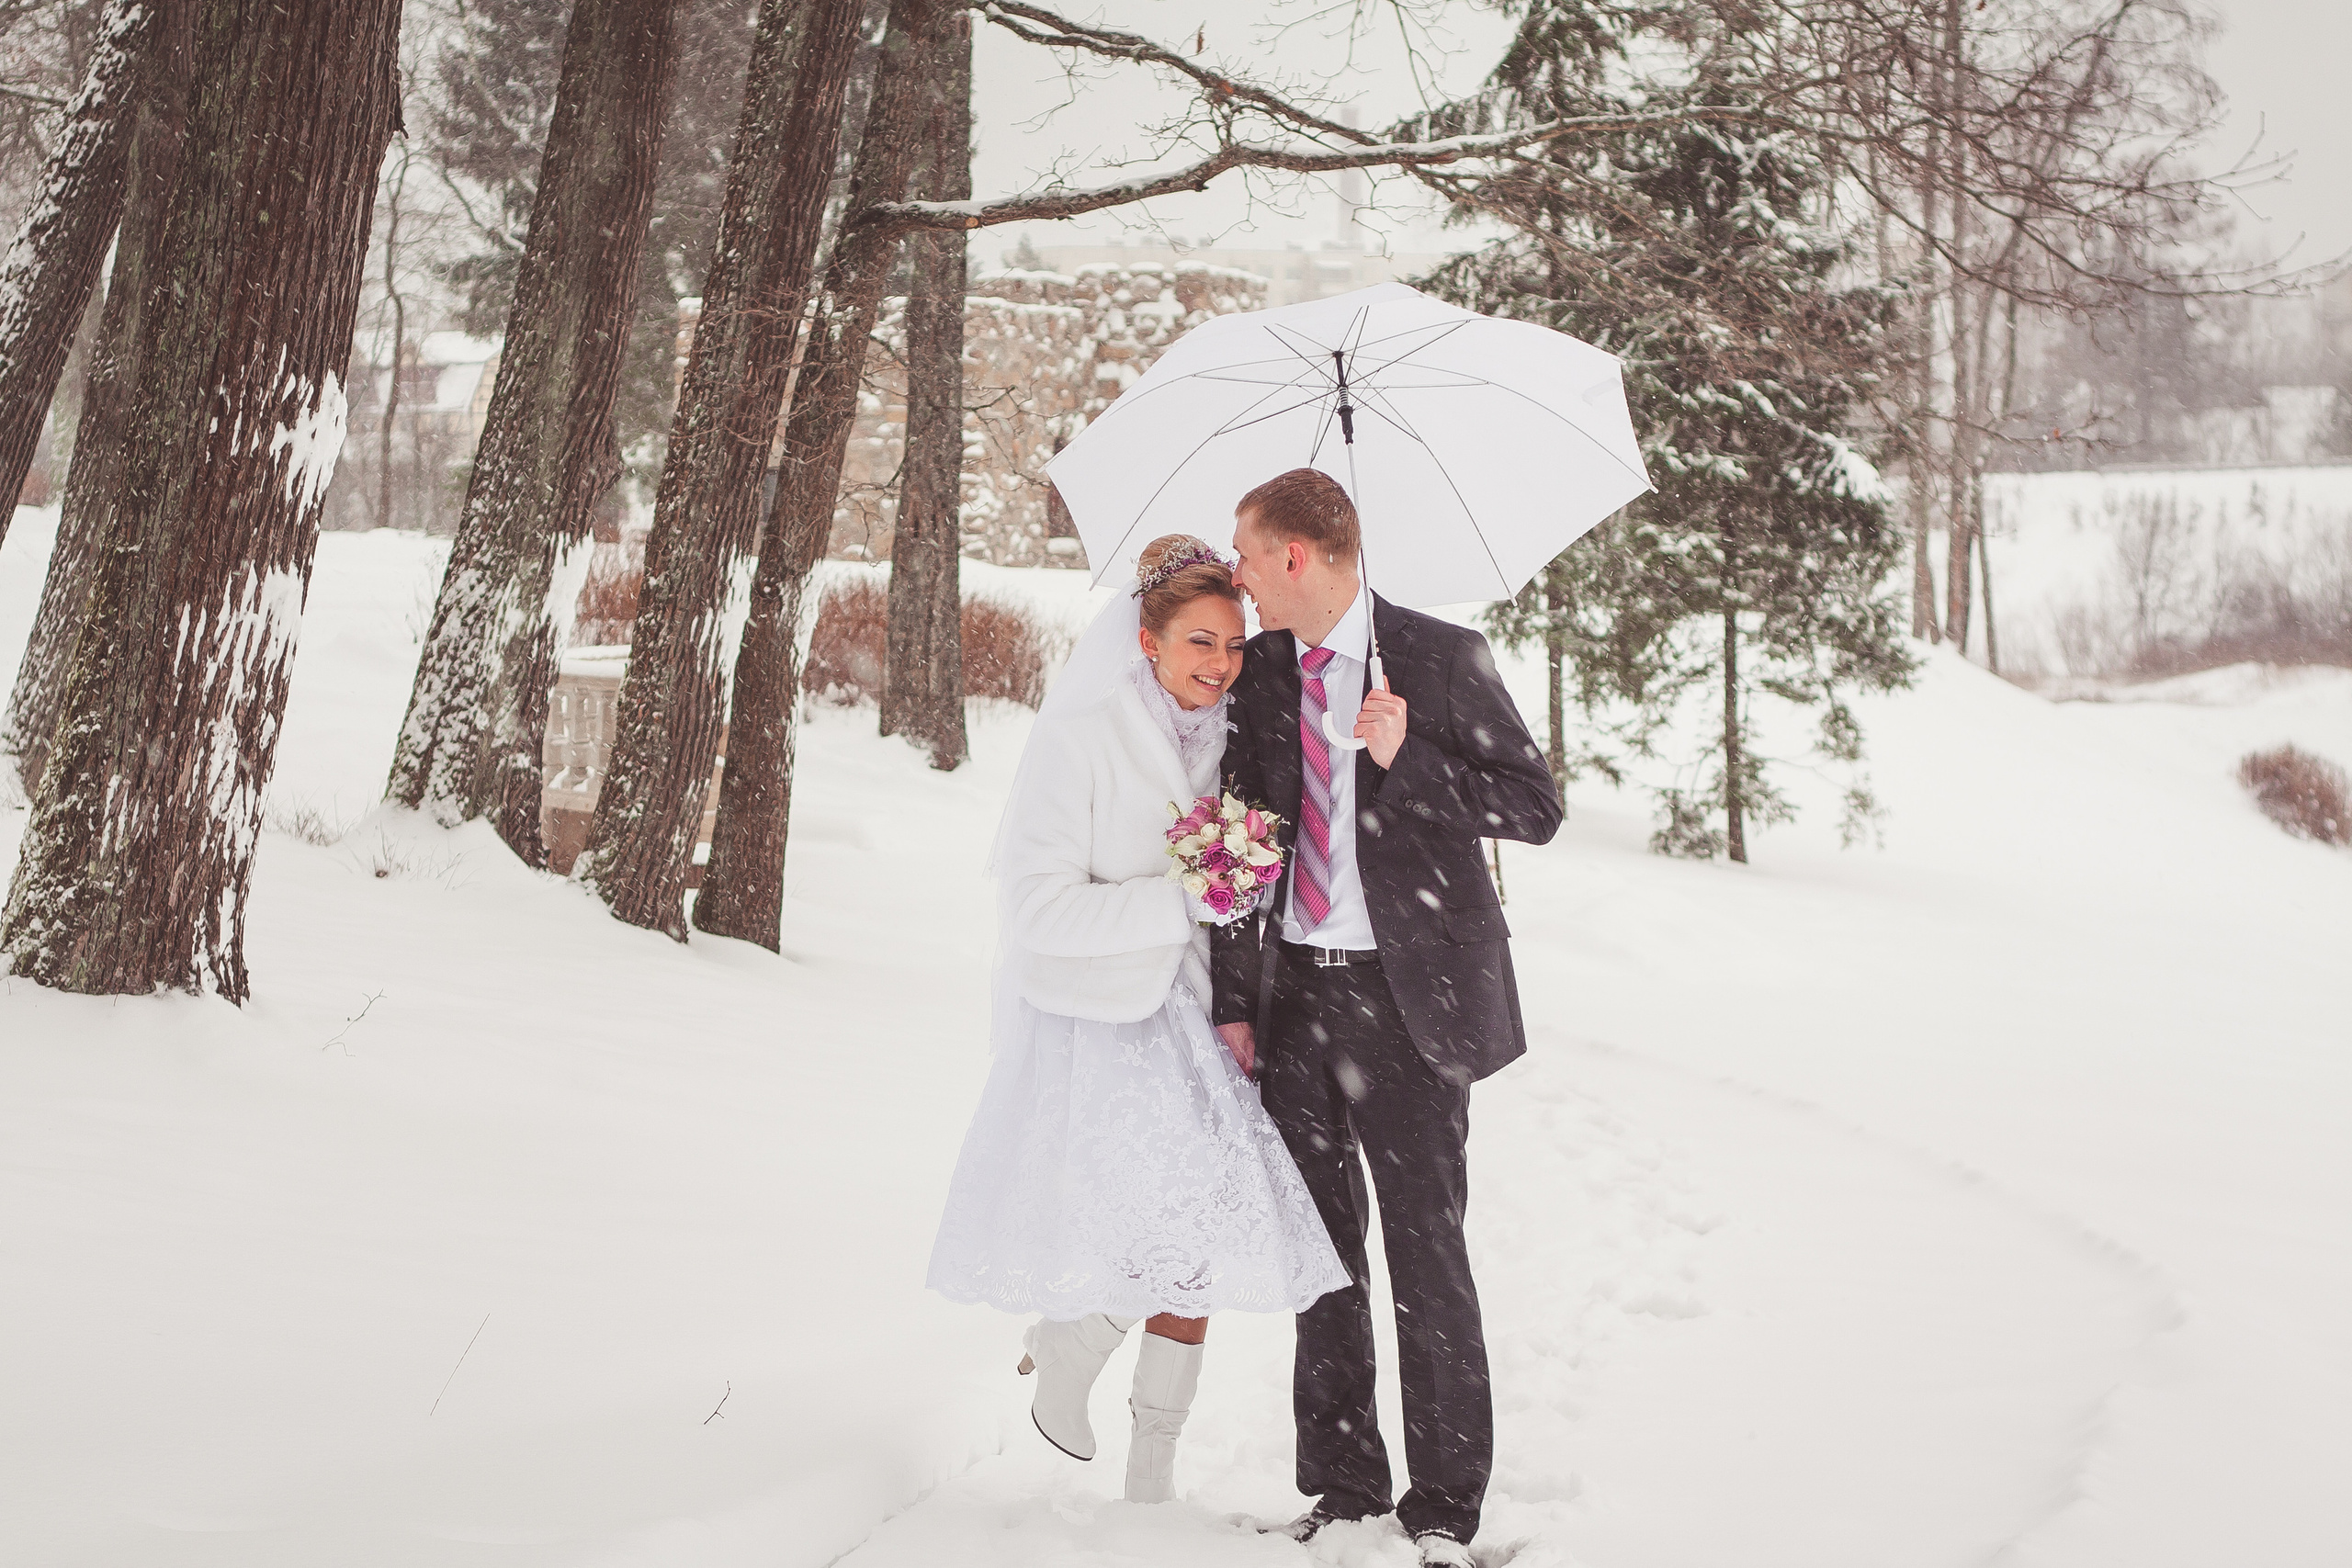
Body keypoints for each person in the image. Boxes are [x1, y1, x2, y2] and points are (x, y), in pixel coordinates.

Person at [926, 534, 1349, 1505]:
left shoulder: (1238, 735)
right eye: (1199, 642)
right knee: (1174, 1231)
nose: (1219, 665)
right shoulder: (1080, 739)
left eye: (1234, 646)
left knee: (1193, 1238)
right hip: (1104, 1020)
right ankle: (1077, 1354)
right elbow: (1038, 911)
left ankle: (1146, 1455)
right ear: (1146, 641)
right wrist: (1184, 898)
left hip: (1211, 1018)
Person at [1211, 468, 1564, 1567]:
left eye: (1249, 555)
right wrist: (1233, 999)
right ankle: (1344, 1485)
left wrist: (1411, 754)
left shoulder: (1440, 659)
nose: (1239, 579)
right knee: (1322, 1254)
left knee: (1425, 1253)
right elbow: (1238, 836)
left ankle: (1446, 1503)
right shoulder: (1260, 674)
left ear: (1298, 558)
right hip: (1296, 997)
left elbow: (1535, 807)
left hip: (1411, 1003)